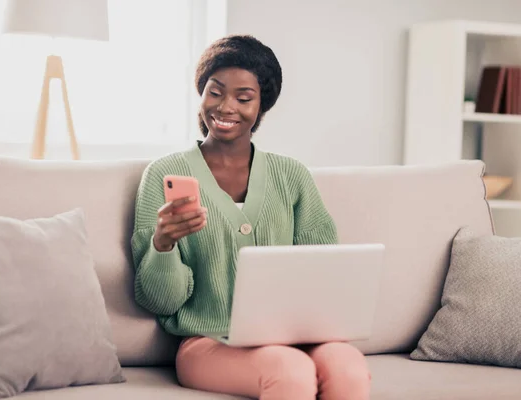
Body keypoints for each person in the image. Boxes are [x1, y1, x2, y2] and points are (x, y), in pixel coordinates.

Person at [131, 34, 371, 400]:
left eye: (243, 98)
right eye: (215, 92)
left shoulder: (291, 176)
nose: (225, 107)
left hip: (293, 339)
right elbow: (160, 302)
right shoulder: (164, 173)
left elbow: (323, 276)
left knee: (348, 365)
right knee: (290, 372)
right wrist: (162, 245)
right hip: (206, 342)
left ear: (262, 106)